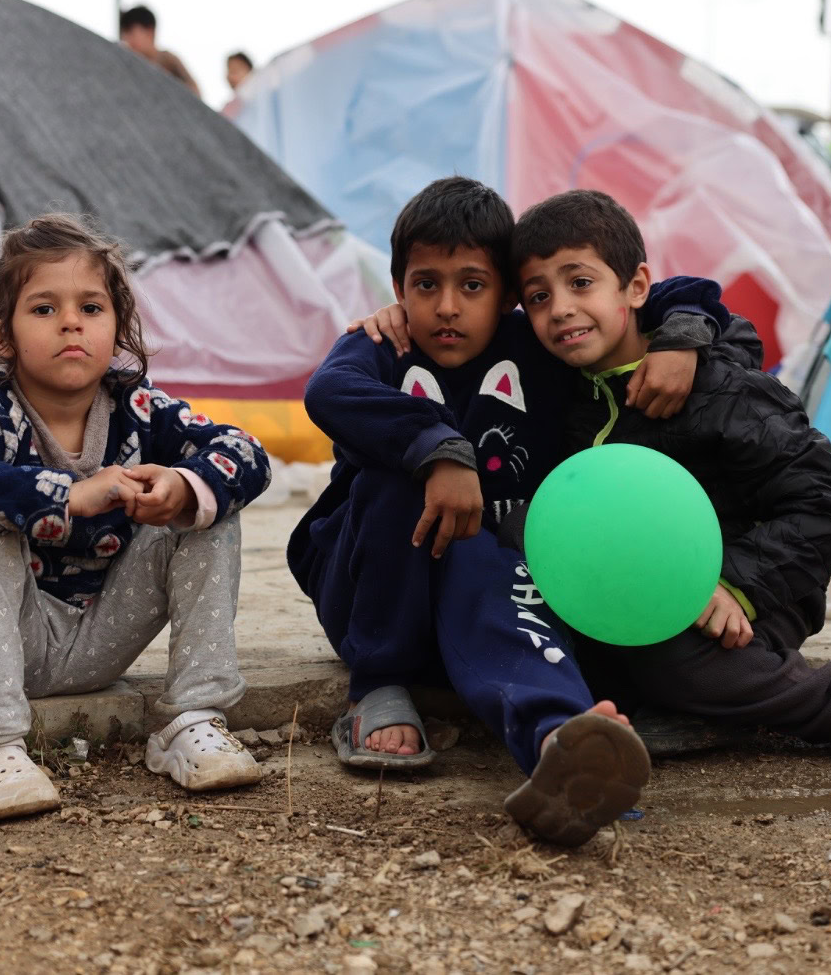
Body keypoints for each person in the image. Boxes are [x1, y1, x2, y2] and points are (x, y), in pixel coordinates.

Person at [288, 176, 729, 846]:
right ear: (398, 287)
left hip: (481, 592)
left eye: (472, 285)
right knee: (398, 478)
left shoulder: (534, 345)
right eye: (424, 283)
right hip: (372, 591)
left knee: (497, 567)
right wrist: (437, 449)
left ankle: (560, 742)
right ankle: (374, 690)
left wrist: (680, 338)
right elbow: (329, 390)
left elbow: (679, 293)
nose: (445, 306)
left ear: (507, 293)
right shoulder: (384, 347)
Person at [509, 189, 831, 773]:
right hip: (637, 593)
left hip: (756, 591)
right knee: (564, 643)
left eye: (580, 283)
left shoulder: (720, 389)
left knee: (670, 658)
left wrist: (735, 583)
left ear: (635, 289)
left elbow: (824, 503)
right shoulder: (567, 401)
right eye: (538, 296)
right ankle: (705, 714)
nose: (559, 308)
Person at [0, 213, 268, 823]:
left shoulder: (140, 408)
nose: (71, 322)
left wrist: (183, 484)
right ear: (5, 335)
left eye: (92, 308)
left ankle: (194, 720)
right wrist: (68, 495)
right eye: (44, 309)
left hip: (104, 631)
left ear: (117, 327)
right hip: (1, 635)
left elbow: (246, 454)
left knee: (208, 509)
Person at [118, 5, 199, 96]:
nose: (127, 40)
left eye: (131, 33)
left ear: (150, 31)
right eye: (125, 34)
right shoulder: (126, 65)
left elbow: (195, 93)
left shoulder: (168, 60)